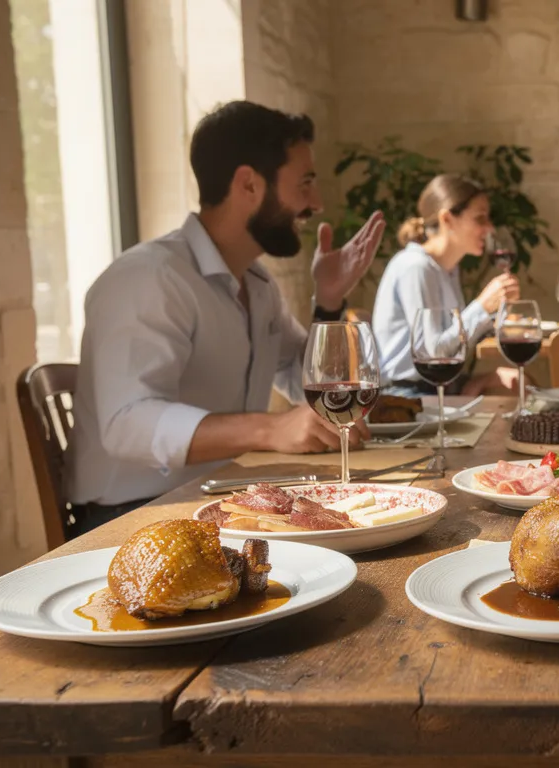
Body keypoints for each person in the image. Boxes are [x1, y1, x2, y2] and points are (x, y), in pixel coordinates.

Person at [65, 101, 386, 535]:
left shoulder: (257, 283)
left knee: (372, 523)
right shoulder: (147, 277)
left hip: (221, 497)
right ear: (249, 184)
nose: (317, 202)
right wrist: (269, 430)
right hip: (132, 517)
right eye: (305, 182)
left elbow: (302, 380)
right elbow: (126, 425)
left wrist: (327, 301)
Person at [372, 174, 520, 395]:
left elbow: (453, 343)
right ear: (447, 219)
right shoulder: (415, 267)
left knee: (522, 385)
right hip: (409, 395)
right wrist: (481, 306)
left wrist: (494, 317)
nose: (489, 228)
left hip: (442, 387)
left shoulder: (447, 270)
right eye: (480, 218)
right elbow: (432, 355)